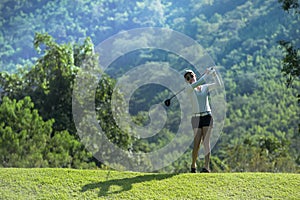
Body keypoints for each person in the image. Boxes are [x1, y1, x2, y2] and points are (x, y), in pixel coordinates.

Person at [184, 67, 221, 173]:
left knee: (206, 142)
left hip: (207, 116)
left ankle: (206, 167)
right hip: (196, 118)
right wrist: (207, 74)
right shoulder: (189, 88)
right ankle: (193, 165)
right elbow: (200, 81)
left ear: (194, 75)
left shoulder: (205, 87)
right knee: (197, 143)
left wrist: (213, 74)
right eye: (187, 78)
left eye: (191, 76)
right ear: (186, 80)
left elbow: (218, 84)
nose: (190, 78)